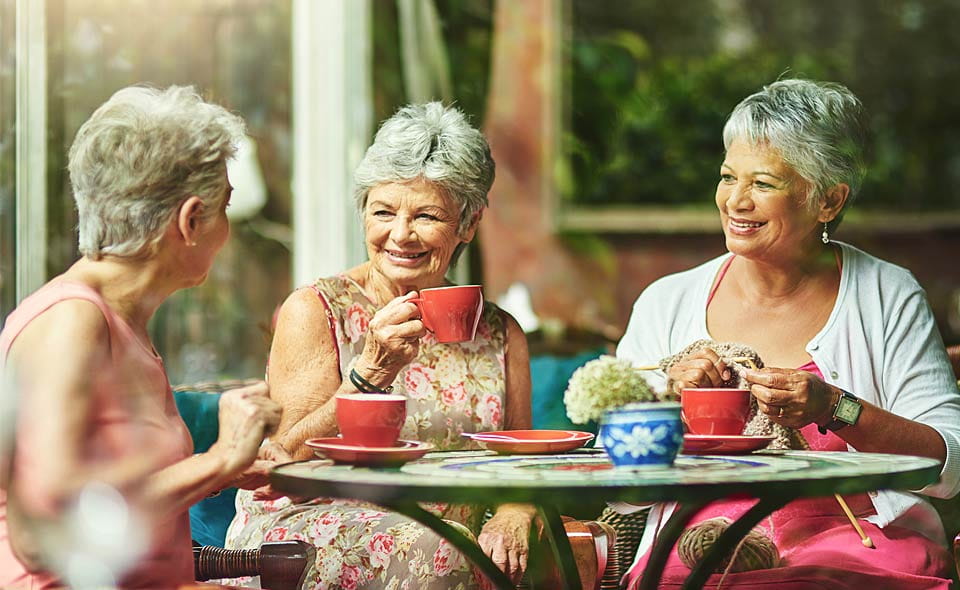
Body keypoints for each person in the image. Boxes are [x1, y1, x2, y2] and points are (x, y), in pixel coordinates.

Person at [616, 79, 960, 589]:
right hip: (702, 543)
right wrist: (668, 400)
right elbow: (618, 481)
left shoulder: (887, 293)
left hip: (858, 541)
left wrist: (834, 408)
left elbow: (948, 465)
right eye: (728, 176)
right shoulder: (667, 301)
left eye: (763, 184)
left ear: (827, 200)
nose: (736, 200)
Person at [224, 102, 534, 589]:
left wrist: (516, 511)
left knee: (561, 547)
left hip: (445, 536)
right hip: (307, 530)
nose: (400, 234)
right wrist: (369, 373)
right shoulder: (315, 309)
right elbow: (284, 459)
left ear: (468, 225)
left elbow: (522, 458)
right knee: (441, 547)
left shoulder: (500, 333)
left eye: (427, 215)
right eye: (383, 211)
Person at [0, 85, 286, 589]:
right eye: (226, 208)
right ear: (191, 219)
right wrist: (217, 459)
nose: (228, 232)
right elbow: (43, 531)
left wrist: (224, 470)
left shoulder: (120, 321)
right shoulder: (70, 322)